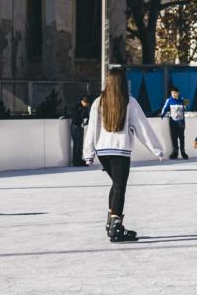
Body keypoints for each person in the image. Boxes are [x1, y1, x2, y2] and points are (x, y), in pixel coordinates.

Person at [83, 68, 164, 242]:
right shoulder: (129, 102)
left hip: (103, 152)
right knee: (120, 187)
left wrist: (89, 153)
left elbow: (91, 129)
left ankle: (111, 221)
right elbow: (143, 128)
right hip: (120, 152)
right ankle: (116, 227)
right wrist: (156, 149)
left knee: (116, 185)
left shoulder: (99, 102)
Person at [160, 86, 188, 159]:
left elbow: (187, 107)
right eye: (172, 93)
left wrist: (184, 105)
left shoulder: (182, 100)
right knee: (174, 137)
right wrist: (162, 115)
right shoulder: (169, 100)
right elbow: (165, 108)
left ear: (178, 93)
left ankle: (183, 152)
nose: (173, 94)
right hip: (173, 121)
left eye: (175, 93)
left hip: (181, 121)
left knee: (181, 137)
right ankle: (175, 152)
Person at [70, 95, 91, 166]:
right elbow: (75, 116)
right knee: (77, 144)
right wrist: (81, 121)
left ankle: (79, 159)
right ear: (82, 101)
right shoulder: (76, 107)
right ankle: (75, 161)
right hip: (75, 127)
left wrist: (86, 121)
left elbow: (87, 116)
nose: (87, 104)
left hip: (80, 127)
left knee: (80, 144)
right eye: (86, 103)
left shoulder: (85, 108)